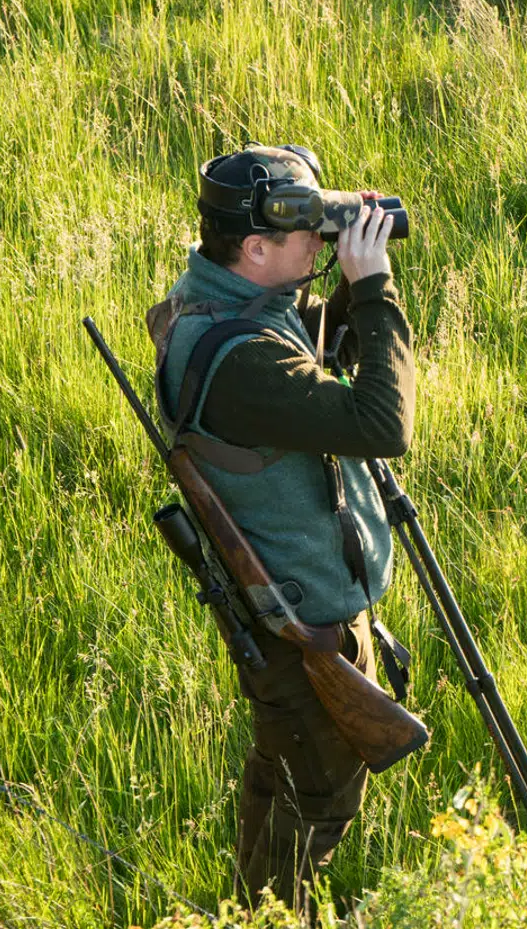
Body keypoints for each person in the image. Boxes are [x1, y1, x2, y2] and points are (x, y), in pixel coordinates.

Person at [145, 144, 414, 911]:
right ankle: (266, 917)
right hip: (303, 638)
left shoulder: (224, 296)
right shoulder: (239, 361)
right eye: (306, 231)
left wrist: (344, 284)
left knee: (283, 783)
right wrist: (374, 290)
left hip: (293, 622)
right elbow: (383, 424)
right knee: (318, 803)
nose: (320, 241)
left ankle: (246, 910)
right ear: (256, 248)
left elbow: (302, 344)